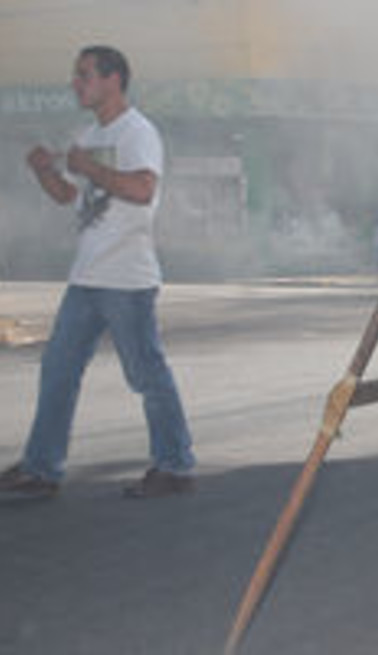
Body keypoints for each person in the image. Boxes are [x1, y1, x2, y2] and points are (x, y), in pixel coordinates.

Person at [0, 46, 196, 499]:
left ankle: (175, 465)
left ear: (113, 80)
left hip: (126, 278)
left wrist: (88, 165)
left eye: (84, 75)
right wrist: (44, 171)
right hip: (88, 274)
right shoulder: (89, 133)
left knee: (145, 373)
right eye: (76, 75)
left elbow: (143, 189)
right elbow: (70, 198)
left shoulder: (137, 132)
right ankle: (41, 468)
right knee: (58, 370)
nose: (75, 83)